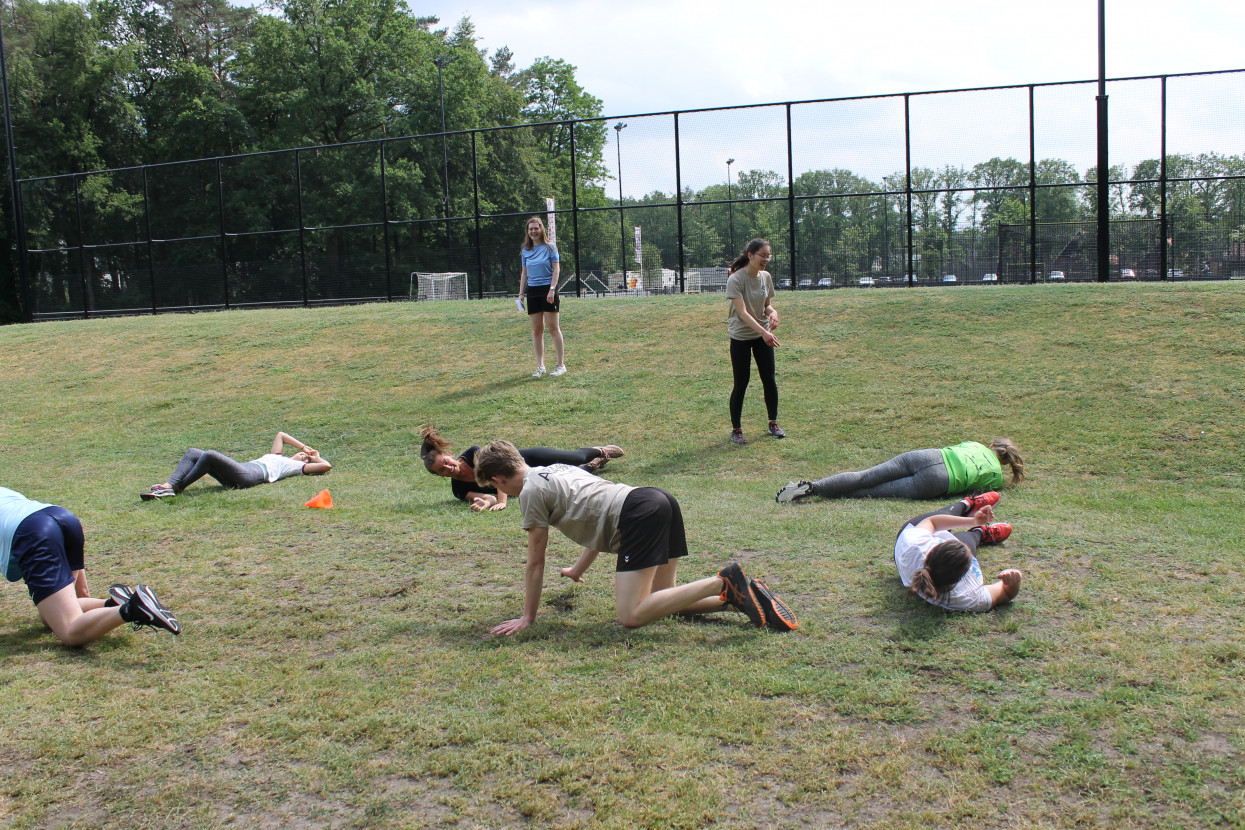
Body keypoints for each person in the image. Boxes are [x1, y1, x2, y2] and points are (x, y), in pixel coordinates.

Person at [472, 440, 798, 634]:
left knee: (631, 615)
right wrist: (577, 570)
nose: (503, 493)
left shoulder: (530, 492)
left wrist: (528, 617)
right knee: (665, 601)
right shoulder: (555, 470)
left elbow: (535, 560)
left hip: (639, 514)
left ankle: (722, 582)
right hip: (656, 500)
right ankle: (741, 599)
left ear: (499, 478)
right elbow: (595, 515)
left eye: (497, 488)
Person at [1, 486, 181, 645]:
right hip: (60, 517)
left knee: (70, 631)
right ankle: (113, 603)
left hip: (34, 533)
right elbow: (82, 594)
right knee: (49, 618)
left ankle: (133, 609)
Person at [419, 425, 623, 511]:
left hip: (526, 460)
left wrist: (502, 500)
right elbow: (484, 497)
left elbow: (495, 472)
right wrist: (486, 503)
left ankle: (598, 451)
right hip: (526, 482)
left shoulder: (473, 453)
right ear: (440, 476)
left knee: (574, 458)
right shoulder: (458, 489)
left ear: (448, 455)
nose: (448, 468)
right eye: (442, 470)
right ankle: (592, 465)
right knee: (569, 477)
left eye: (446, 463)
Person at [776, 439, 1025, 503]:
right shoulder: (996, 477)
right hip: (939, 481)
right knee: (869, 492)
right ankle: (817, 494)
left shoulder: (976, 444)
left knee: (864, 475)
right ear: (1005, 462)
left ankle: (813, 487)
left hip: (928, 456)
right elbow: (974, 492)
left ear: (992, 446)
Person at [894, 492, 1022, 612]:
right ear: (964, 575)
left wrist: (972, 520)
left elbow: (932, 522)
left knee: (943, 514)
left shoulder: (914, 546)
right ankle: (979, 532)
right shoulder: (967, 596)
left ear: (933, 549)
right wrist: (1013, 582)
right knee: (969, 540)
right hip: (923, 557)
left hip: (905, 542)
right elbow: (1005, 593)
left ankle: (967, 504)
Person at [140, 431, 332, 500]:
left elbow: (326, 467)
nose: (302, 456)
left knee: (209, 455)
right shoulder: (277, 456)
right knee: (194, 452)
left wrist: (314, 457)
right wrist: (305, 447)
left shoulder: (294, 467)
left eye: (305, 458)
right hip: (243, 469)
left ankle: (177, 488)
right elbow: (281, 435)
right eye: (301, 455)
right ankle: (167, 486)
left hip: (250, 476)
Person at [725, 238, 783, 444]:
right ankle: (736, 430)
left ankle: (773, 423)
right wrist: (764, 332)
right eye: (763, 255)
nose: (766, 259)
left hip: (762, 336)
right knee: (741, 382)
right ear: (750, 255)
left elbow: (766, 305)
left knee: (769, 379)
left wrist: (773, 312)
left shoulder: (765, 277)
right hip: (741, 336)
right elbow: (743, 313)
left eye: (769, 256)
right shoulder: (736, 279)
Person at [518, 216, 566, 378]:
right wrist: (521, 293)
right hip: (533, 291)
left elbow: (556, 270)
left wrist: (552, 290)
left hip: (548, 289)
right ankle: (540, 366)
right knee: (537, 330)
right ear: (527, 231)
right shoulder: (526, 250)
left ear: (541, 229)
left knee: (553, 328)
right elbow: (524, 273)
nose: (533, 231)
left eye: (536, 228)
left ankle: (560, 365)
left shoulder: (550, 247)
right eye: (530, 229)